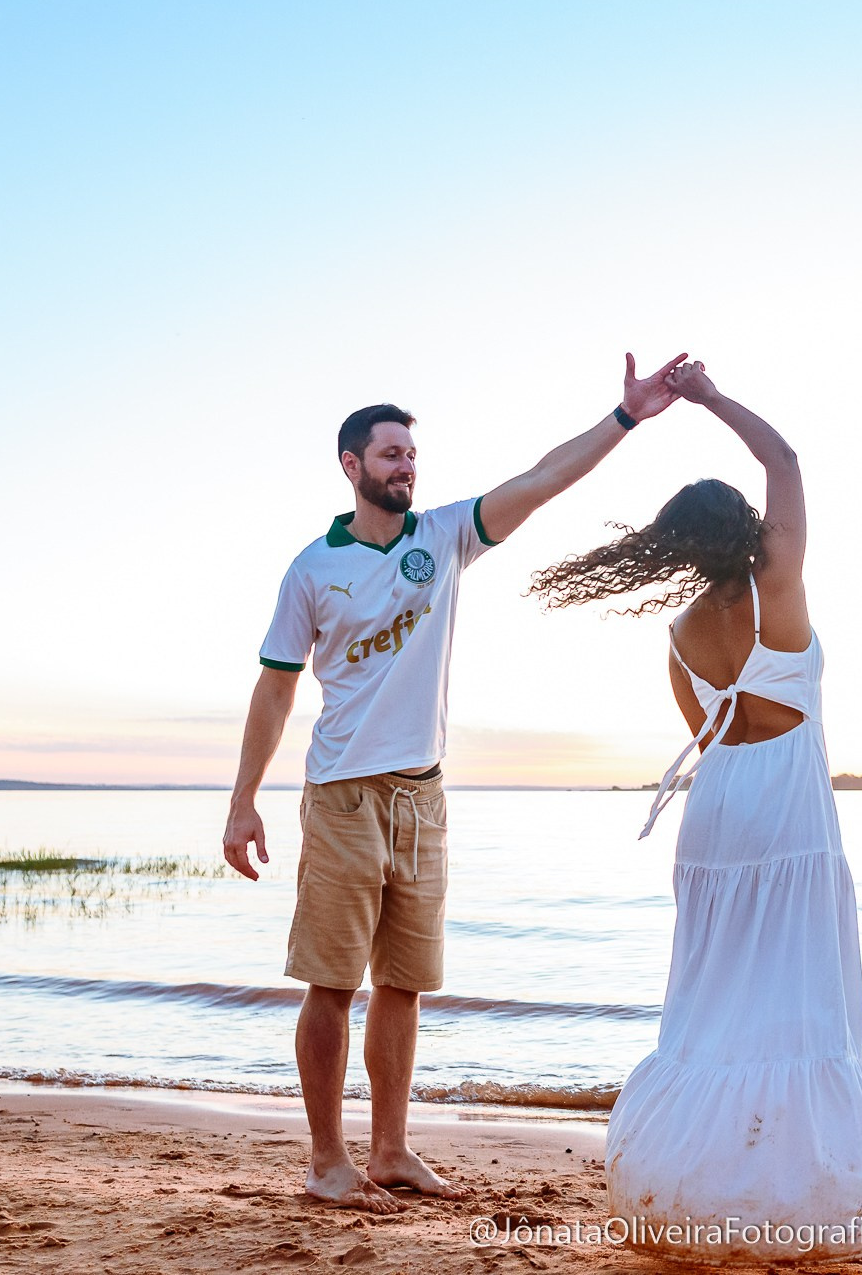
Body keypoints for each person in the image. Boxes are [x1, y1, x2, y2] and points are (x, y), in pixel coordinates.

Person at [222, 354, 684, 1211]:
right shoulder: (310, 571)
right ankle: (329, 1162)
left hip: (425, 799)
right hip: (345, 798)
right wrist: (243, 799)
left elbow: (543, 478)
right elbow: (276, 686)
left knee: (405, 982)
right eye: (389, 453)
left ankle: (391, 1151)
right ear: (352, 466)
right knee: (332, 982)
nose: (406, 465)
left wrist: (624, 418)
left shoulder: (444, 535)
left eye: (411, 454)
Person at [526, 361, 862, 1262]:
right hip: (787, 812)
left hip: (719, 812)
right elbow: (784, 456)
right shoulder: (778, 586)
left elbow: (708, 734)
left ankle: (696, 1173)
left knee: (714, 1001)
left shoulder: (680, 635)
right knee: (801, 1000)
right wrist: (710, 398)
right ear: (744, 530)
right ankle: (789, 1186)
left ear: (676, 547)